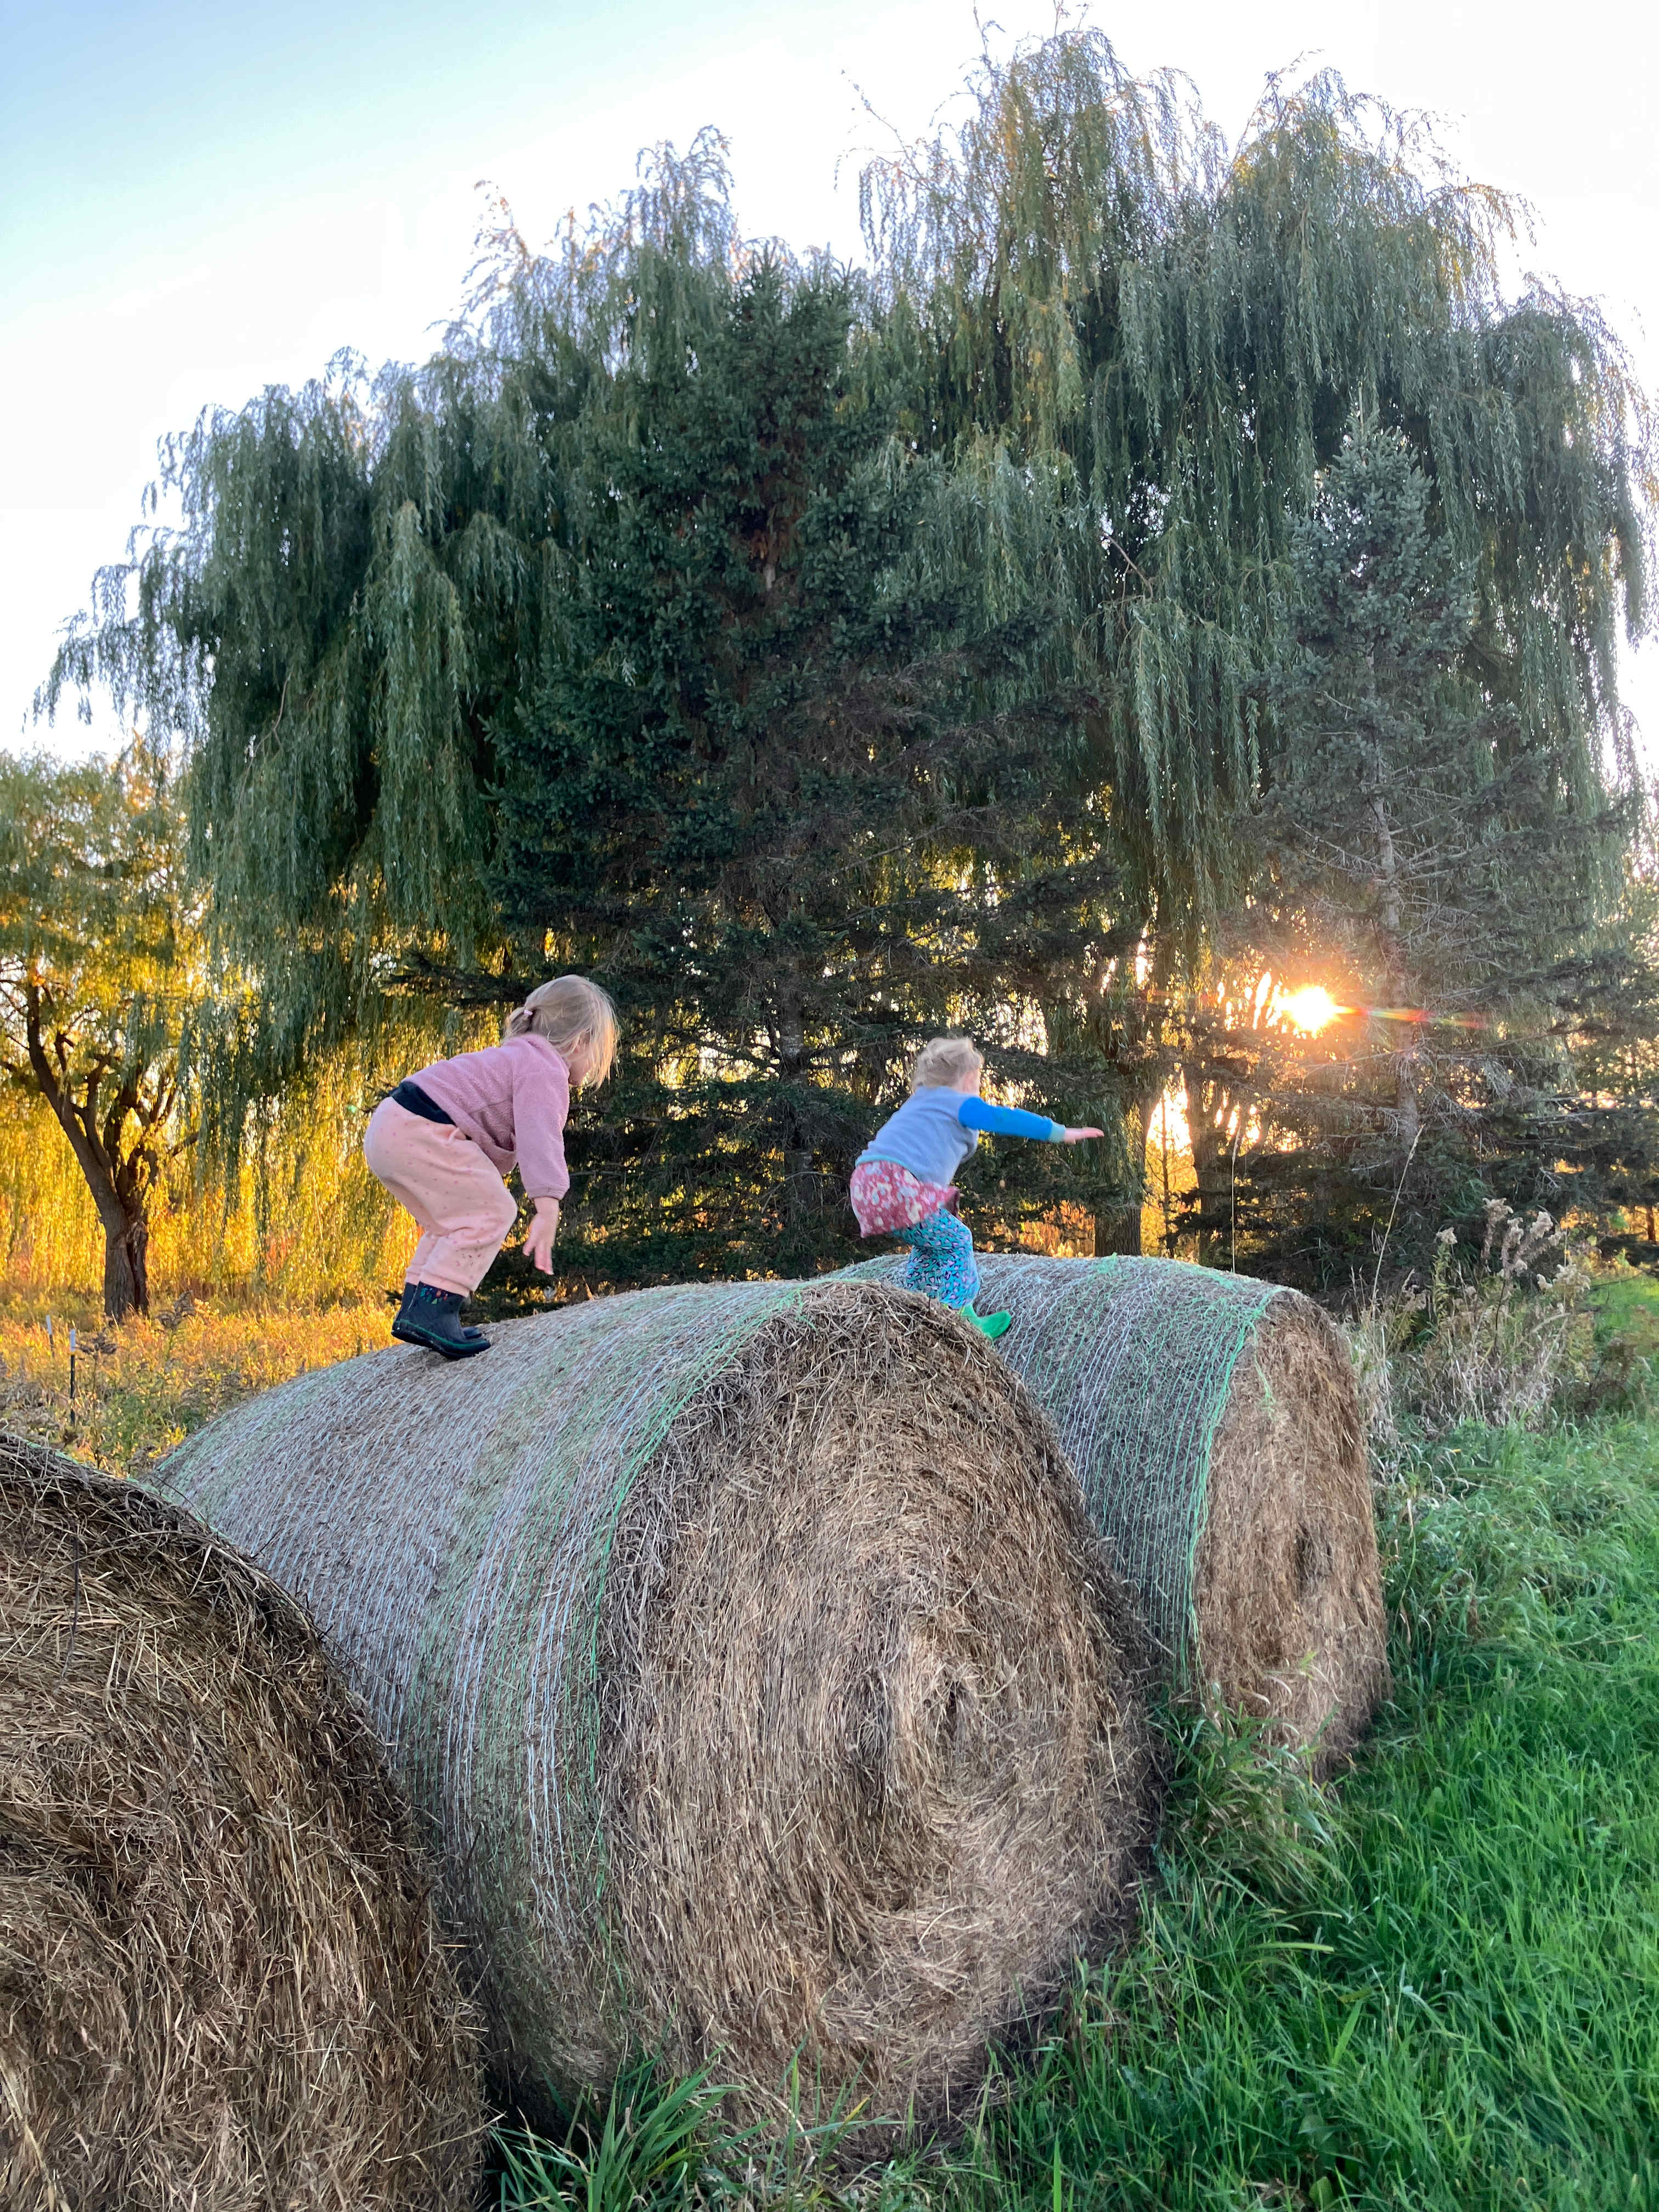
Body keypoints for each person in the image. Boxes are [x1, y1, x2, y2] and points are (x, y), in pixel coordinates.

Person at [364, 975, 617, 1358]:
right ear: (579, 1041)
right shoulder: (544, 1068)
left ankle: (418, 1306)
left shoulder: (517, 1056)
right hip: (424, 1127)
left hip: (392, 1125)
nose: (595, 1064)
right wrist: (547, 1205)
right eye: (596, 1051)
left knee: (450, 1222)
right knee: (494, 1211)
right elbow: (539, 1135)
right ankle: (435, 1309)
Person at [850, 1036, 1102, 1338]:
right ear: (970, 1078)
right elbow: (1002, 1118)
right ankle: (963, 1322)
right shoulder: (959, 1103)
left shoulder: (919, 1102)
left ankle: (913, 1309)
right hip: (895, 1182)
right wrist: (1059, 1132)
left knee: (932, 1242)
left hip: (865, 1185)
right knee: (959, 1238)